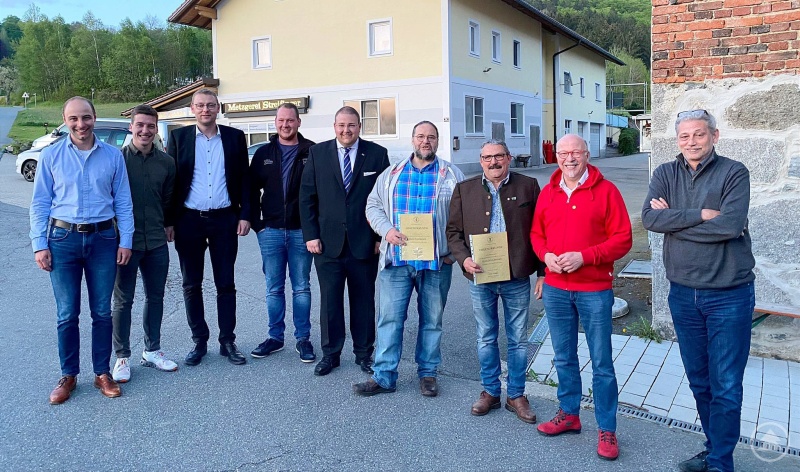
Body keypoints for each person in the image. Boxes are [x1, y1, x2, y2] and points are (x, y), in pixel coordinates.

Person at [642, 110, 755, 472]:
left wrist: (675, 219)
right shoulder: (664, 173)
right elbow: (649, 218)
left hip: (728, 295)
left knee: (725, 385)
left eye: (699, 135)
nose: (691, 142)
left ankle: (722, 463)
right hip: (683, 294)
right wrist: (702, 214)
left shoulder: (734, 172)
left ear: (714, 136)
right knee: (700, 381)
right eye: (684, 136)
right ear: (677, 140)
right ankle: (713, 448)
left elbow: (731, 225)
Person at [530, 134, 632, 461]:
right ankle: (570, 414)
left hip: (594, 291)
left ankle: (606, 428)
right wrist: (545, 256)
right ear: (556, 156)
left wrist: (585, 257)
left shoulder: (607, 192)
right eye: (563, 153)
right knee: (563, 356)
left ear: (587, 154)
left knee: (601, 362)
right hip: (557, 290)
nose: (569, 158)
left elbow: (623, 239)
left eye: (576, 152)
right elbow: (536, 234)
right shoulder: (548, 192)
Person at [30, 96, 134, 404]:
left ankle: (102, 373)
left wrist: (125, 240)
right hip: (63, 239)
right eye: (73, 119)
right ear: (65, 121)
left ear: (95, 117)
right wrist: (40, 245)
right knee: (67, 313)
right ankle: (68, 375)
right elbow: (40, 203)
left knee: (102, 311)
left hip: (103, 239)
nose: (80, 124)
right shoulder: (51, 156)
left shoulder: (113, 156)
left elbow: (123, 203)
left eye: (86, 117)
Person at [352, 121, 464, 397]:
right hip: (397, 262)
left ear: (438, 141)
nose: (426, 141)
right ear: (412, 140)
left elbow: (466, 215)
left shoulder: (452, 175)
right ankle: (384, 375)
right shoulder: (392, 174)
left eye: (431, 137)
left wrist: (453, 253)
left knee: (432, 320)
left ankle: (427, 373)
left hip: (437, 263)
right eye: (421, 136)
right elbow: (373, 205)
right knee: (389, 319)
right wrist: (387, 231)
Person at [446, 139, 542, 422]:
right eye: (487, 157)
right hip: (480, 276)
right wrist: (463, 258)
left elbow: (540, 231)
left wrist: (543, 274)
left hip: (516, 276)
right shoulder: (465, 190)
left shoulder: (528, 186)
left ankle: (516, 395)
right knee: (486, 337)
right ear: (481, 161)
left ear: (509, 158)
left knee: (518, 340)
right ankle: (490, 391)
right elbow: (453, 232)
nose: (493, 162)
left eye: (499, 156)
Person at [299, 106, 390, 376]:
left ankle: (364, 354)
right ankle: (331, 354)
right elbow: (307, 199)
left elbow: (385, 200)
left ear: (359, 126)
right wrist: (311, 235)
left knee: (363, 300)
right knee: (330, 301)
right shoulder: (317, 154)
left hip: (364, 244)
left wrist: (379, 237)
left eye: (351, 125)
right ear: (334, 126)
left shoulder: (376, 154)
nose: (346, 130)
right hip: (327, 244)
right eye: (341, 125)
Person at [167, 88, 252, 366]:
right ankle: (199, 341)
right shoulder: (179, 138)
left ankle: (227, 340)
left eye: (211, 105)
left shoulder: (235, 138)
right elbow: (172, 183)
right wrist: (169, 220)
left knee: (225, 283)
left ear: (218, 108)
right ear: (192, 109)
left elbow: (244, 180)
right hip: (189, 220)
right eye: (200, 105)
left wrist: (245, 215)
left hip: (225, 219)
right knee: (191, 284)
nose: (206, 110)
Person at [110, 104, 178, 383]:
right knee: (123, 300)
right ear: (131, 127)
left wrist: (168, 224)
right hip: (125, 243)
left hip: (156, 243)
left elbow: (169, 199)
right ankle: (122, 356)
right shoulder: (117, 160)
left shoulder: (167, 163)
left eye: (150, 126)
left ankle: (152, 350)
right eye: (140, 125)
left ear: (156, 128)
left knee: (156, 297)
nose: (145, 131)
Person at [249, 103, 316, 362]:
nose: (285, 125)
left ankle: (303, 339)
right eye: (281, 121)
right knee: (273, 288)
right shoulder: (264, 153)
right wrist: (258, 224)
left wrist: (315, 229)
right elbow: (251, 190)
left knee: (301, 287)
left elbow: (319, 193)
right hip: (271, 231)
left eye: (290, 121)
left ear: (299, 122)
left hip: (302, 231)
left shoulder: (312, 151)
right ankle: (275, 337)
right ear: (275, 123)